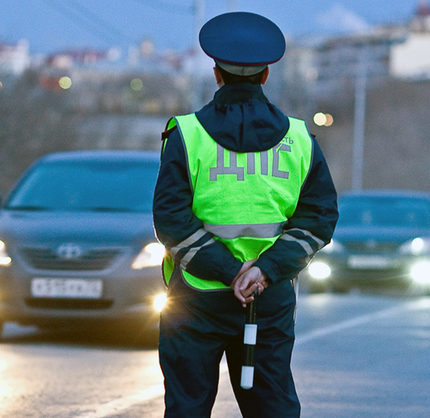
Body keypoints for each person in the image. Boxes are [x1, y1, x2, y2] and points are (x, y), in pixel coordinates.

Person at [152, 11, 339, 418]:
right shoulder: (299, 139)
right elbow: (319, 218)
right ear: (266, 75)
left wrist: (226, 270)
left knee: (187, 408)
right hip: (266, 300)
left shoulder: (186, 134)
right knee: (271, 409)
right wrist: (264, 271)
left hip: (194, 300)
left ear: (216, 74)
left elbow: (170, 220)